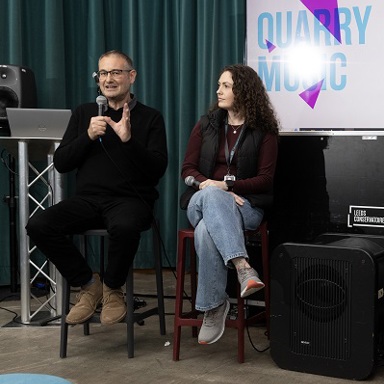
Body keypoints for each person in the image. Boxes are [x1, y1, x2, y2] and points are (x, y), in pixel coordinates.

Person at [26, 50, 168, 325]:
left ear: (131, 76)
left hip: (130, 200)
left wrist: (129, 140)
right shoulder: (84, 114)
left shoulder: (150, 118)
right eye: (103, 73)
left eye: (116, 72)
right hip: (89, 200)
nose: (108, 79)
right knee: (39, 225)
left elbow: (157, 169)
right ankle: (88, 284)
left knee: (125, 227)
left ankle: (113, 289)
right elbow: (62, 163)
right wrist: (87, 136)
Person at [180, 64, 279, 345]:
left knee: (204, 231)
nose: (218, 91)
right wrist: (209, 186)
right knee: (211, 197)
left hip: (245, 206)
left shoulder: (265, 131)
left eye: (225, 86)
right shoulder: (207, 124)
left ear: (243, 91)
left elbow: (265, 179)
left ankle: (214, 307)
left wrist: (229, 187)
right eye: (219, 85)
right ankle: (242, 266)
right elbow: (187, 169)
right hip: (200, 200)